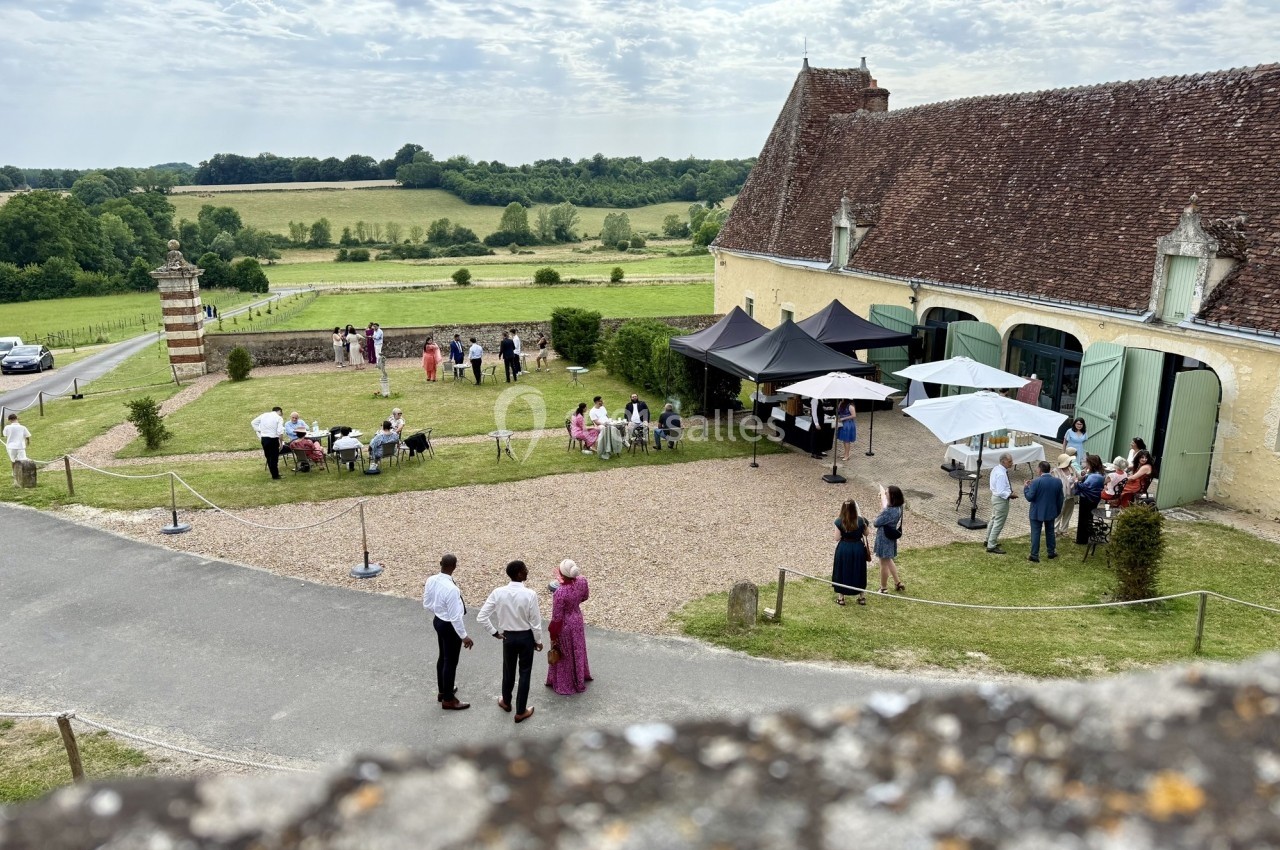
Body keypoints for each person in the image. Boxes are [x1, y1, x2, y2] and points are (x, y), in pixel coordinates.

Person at [477, 560, 544, 723]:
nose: (527, 571)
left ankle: (506, 701)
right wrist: (538, 640)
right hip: (526, 637)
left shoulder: (498, 592)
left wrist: (494, 633)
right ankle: (521, 710)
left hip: (508, 637)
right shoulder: (530, 594)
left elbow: (482, 616)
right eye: (525, 569)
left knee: (508, 670)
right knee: (525, 672)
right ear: (519, 573)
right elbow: (535, 621)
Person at [422, 554, 474, 711]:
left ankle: (443, 690)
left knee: (443, 657)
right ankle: (448, 699)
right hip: (450, 626)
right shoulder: (452, 589)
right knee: (451, 662)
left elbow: (427, 603)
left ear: (440, 564)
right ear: (455, 566)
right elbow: (455, 618)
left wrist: (439, 612)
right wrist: (464, 637)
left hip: (438, 621)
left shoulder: (431, 580)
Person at [546, 559, 592, 695]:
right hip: (577, 619)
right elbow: (585, 597)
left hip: (565, 625)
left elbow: (557, 618)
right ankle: (579, 677)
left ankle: (565, 682)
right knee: (577, 648)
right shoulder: (583, 581)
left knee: (564, 652)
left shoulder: (560, 593)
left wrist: (552, 634)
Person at [1024, 460, 1064, 562]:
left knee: (1036, 533)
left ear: (1039, 470)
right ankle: (1051, 552)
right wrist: (1057, 511)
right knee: (1050, 532)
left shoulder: (1036, 482)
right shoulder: (1057, 481)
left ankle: (1034, 555)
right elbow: (1060, 499)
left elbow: (1029, 497)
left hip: (1036, 512)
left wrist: (1026, 488)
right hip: (1051, 512)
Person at [832, 499, 869, 606]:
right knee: (859, 569)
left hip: (844, 548)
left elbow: (837, 538)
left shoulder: (839, 521)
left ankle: (841, 597)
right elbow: (867, 534)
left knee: (843, 570)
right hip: (858, 548)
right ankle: (861, 597)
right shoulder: (861, 520)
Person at [873, 484, 906, 592]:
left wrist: (883, 508)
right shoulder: (899, 507)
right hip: (890, 537)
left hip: (884, 538)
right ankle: (897, 582)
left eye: (886, 493)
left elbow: (876, 522)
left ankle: (883, 588)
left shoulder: (889, 511)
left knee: (883, 563)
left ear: (892, 496)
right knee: (888, 559)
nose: (885, 494)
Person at [985, 453, 1017, 555]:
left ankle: (988, 540)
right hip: (1000, 500)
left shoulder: (996, 469)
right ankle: (991, 545)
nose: (1012, 463)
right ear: (1003, 461)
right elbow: (1001, 491)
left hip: (995, 498)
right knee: (998, 522)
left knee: (994, 519)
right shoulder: (1002, 474)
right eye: (1010, 461)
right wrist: (1010, 495)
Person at [251, 406, 285, 480]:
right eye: (281, 413)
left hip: (264, 439)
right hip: (273, 439)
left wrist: (260, 430)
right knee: (274, 458)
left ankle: (274, 474)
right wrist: (281, 442)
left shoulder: (264, 415)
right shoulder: (278, 418)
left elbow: (253, 422)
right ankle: (275, 475)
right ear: (279, 411)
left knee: (268, 456)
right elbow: (280, 432)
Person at [1052, 453, 1079, 536]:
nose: (1070, 463)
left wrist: (1077, 479)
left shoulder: (1072, 468)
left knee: (1068, 512)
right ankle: (1055, 530)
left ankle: (1064, 529)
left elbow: (1078, 477)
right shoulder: (1055, 471)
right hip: (1061, 495)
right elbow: (1055, 484)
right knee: (1059, 512)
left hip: (1071, 495)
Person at [4, 413, 31, 483]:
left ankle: (14, 472)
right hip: (20, 446)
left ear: (9, 420)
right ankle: (24, 472)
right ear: (17, 418)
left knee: (13, 460)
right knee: (23, 459)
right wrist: (27, 441)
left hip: (11, 446)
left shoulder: (7, 427)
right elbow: (27, 436)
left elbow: (5, 434)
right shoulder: (23, 427)